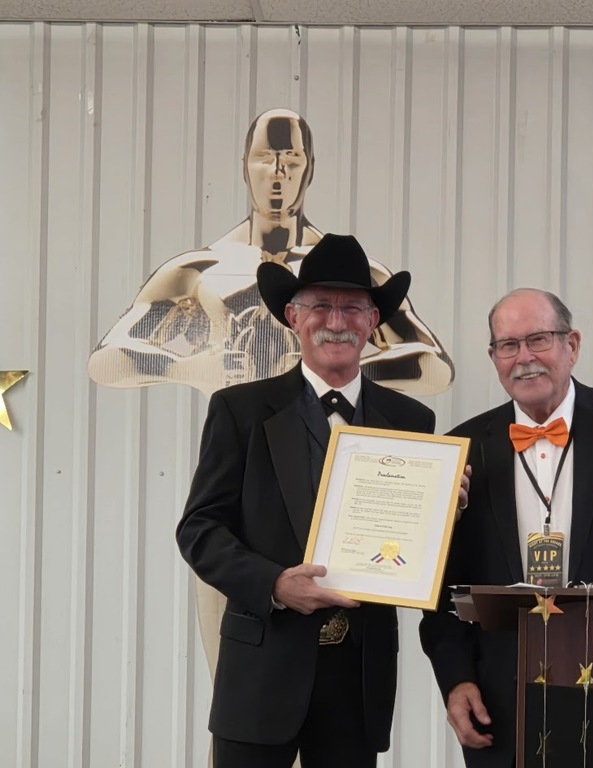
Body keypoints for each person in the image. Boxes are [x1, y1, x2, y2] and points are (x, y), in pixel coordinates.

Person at [176, 234, 461, 767]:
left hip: (358, 678)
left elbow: (413, 544)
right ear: (292, 316)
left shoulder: (411, 421)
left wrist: (445, 512)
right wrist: (274, 584)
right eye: (321, 306)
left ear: (372, 320)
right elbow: (200, 530)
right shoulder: (239, 410)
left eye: (353, 306)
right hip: (261, 673)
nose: (338, 320)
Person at [419, 288, 593, 768]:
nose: (524, 357)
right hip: (502, 698)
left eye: (538, 339)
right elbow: (440, 584)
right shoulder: (461, 447)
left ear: (572, 344)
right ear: (493, 357)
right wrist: (455, 678)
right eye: (508, 345)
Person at [88, 107, 454, 398]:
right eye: (264, 157)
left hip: (324, 443)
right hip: (235, 451)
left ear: (309, 169)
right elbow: (105, 361)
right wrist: (194, 368)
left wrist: (344, 364)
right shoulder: (198, 271)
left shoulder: (357, 275)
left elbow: (435, 367)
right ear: (245, 167)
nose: (277, 171)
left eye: (292, 159)